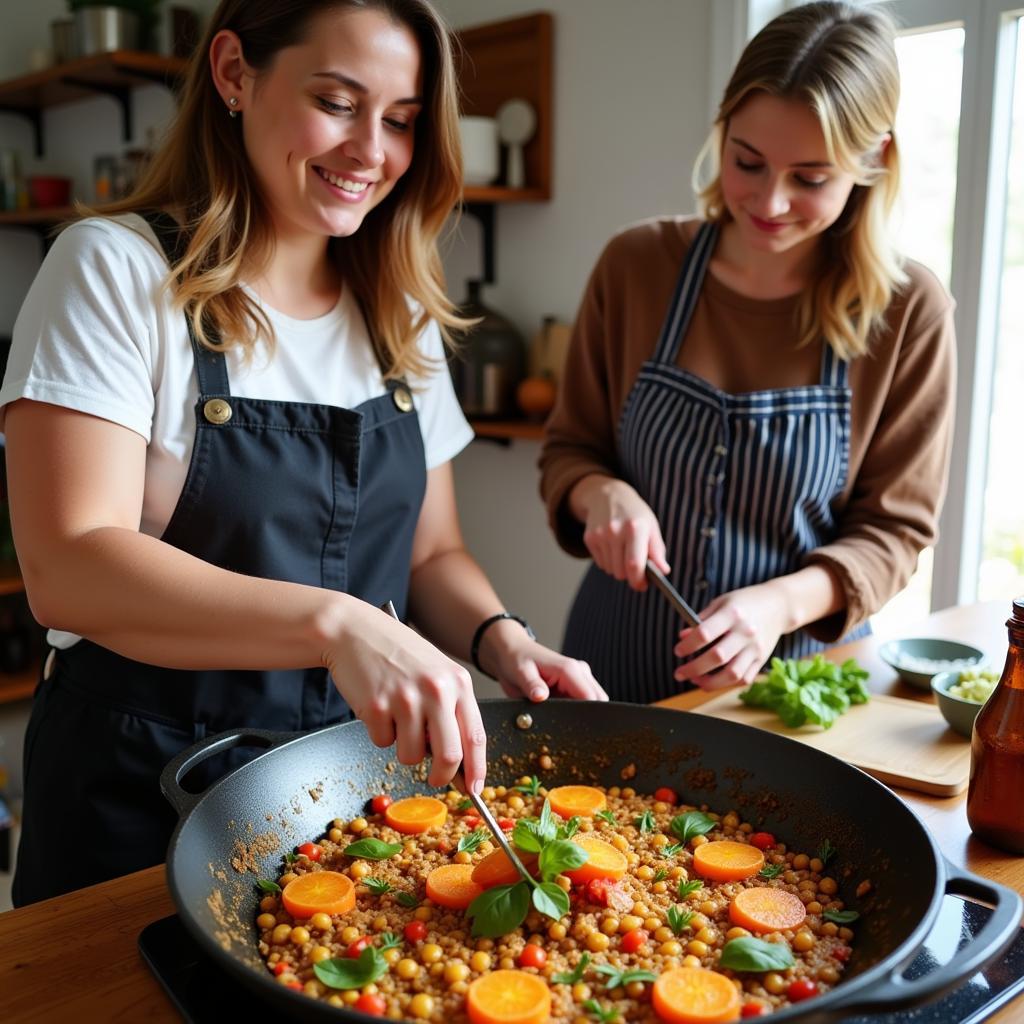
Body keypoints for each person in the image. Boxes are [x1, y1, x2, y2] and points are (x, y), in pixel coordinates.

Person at [2, 0, 605, 907]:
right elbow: (68, 566)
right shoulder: (114, 272)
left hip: (350, 793)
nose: (372, 149)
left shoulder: (398, 308)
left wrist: (499, 639)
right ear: (235, 73)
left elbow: (432, 552)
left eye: (401, 120)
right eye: (337, 101)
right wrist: (343, 624)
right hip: (139, 795)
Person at [539, 1, 955, 703]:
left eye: (811, 178)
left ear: (873, 160)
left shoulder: (909, 310)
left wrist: (778, 607)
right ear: (723, 131)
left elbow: (896, 531)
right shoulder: (636, 265)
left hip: (797, 694)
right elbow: (569, 448)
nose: (770, 200)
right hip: (612, 674)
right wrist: (599, 492)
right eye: (748, 162)